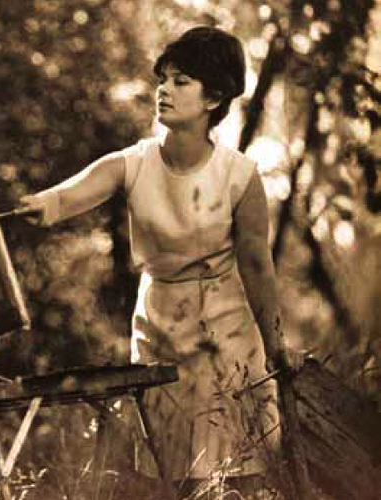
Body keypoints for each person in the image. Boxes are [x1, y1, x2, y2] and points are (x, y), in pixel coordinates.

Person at [20, 26, 298, 498]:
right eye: (162, 79)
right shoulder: (135, 162)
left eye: (181, 81)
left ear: (213, 98)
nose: (164, 90)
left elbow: (256, 265)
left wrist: (275, 347)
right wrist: (40, 204)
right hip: (160, 327)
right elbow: (67, 196)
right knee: (173, 473)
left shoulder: (239, 176)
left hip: (228, 333)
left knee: (241, 472)